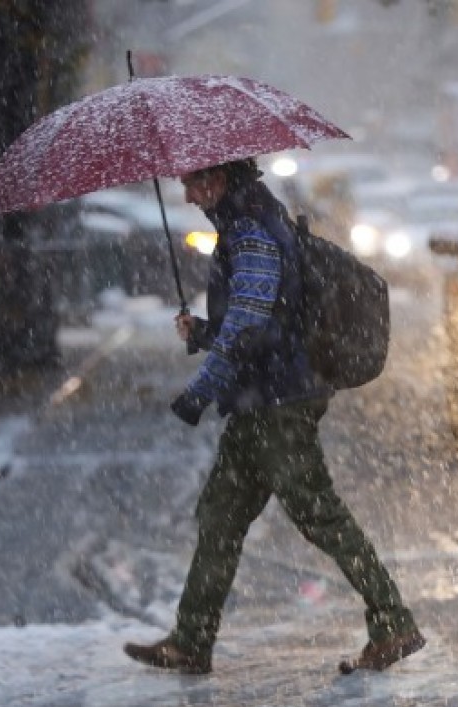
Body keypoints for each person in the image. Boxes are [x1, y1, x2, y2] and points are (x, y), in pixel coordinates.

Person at [123, 158, 424, 674]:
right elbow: (257, 321)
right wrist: (202, 333)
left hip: (279, 403)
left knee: (319, 515)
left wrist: (199, 391)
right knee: (221, 515)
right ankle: (191, 639)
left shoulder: (251, 232)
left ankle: (393, 622)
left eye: (194, 184)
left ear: (218, 179)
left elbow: (249, 327)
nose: (189, 197)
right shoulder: (250, 224)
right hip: (259, 401)